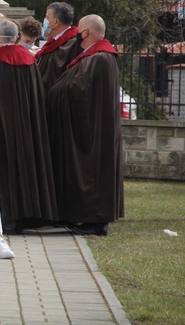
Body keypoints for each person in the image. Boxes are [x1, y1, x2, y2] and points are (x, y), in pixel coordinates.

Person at [47, 15, 123, 236]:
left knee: (94, 173)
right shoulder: (95, 56)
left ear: (86, 33)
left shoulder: (100, 58)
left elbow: (79, 89)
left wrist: (55, 93)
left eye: (79, 30)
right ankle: (87, 219)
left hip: (93, 131)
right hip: (91, 127)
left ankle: (95, 221)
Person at [0, 19, 58, 233]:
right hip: (27, 125)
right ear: (16, 37)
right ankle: (30, 214)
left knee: (1, 163)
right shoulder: (29, 59)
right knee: (28, 161)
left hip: (0, 126)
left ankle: (6, 217)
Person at [35, 2, 80, 94]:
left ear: (56, 22)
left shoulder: (71, 43)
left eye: (47, 18)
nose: (45, 21)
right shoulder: (54, 40)